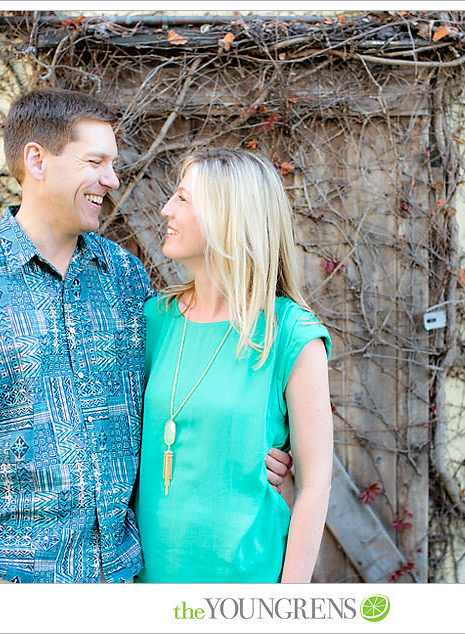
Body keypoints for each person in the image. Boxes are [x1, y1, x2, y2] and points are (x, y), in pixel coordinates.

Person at [0, 88, 291, 583]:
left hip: (121, 574)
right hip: (10, 578)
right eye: (96, 161)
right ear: (37, 160)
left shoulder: (127, 279)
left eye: (113, 163)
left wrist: (254, 452)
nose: (111, 178)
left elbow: (180, 394)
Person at [134, 149, 333, 583]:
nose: (166, 208)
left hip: (246, 583)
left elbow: (316, 485)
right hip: (147, 579)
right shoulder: (153, 321)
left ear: (228, 216)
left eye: (183, 199)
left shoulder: (291, 335)